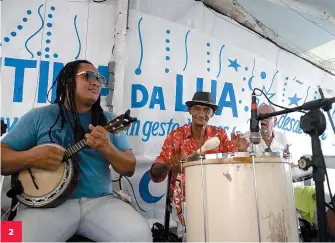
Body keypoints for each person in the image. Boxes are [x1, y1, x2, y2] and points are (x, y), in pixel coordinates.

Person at [1, 60, 152, 242]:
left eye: (99, 79)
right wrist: (31, 157)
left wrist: (108, 148)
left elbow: (129, 168)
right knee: (11, 238)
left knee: (139, 235)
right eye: (88, 76)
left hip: (100, 201)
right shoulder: (39, 116)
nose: (95, 82)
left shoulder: (109, 120)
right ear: (67, 81)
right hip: (44, 206)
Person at [149, 91, 249, 234]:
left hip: (218, 196)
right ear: (190, 110)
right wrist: (168, 165)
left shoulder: (220, 135)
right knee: (196, 233)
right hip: (185, 200)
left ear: (212, 114)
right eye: (197, 108)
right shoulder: (176, 136)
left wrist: (239, 150)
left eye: (207, 110)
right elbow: (155, 173)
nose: (202, 114)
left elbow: (236, 167)